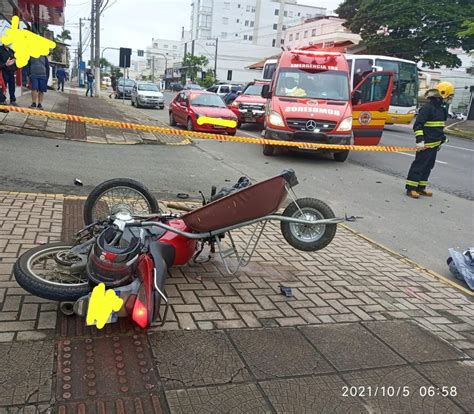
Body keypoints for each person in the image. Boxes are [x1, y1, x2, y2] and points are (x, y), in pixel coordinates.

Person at [405, 82, 454, 199]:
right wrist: (420, 140)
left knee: (428, 166)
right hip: (425, 145)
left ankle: (421, 188)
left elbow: (438, 127)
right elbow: (418, 125)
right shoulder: (427, 108)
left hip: (435, 145)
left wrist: (441, 139)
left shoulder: (442, 110)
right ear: (443, 94)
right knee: (419, 165)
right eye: (450, 96)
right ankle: (411, 189)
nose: (451, 99)